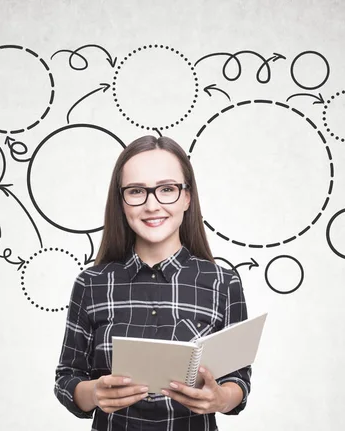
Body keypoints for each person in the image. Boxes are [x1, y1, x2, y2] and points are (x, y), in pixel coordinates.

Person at [54, 135, 251, 430]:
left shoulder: (223, 283)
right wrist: (95, 393)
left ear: (187, 197)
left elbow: (238, 380)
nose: (152, 205)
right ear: (121, 201)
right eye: (136, 192)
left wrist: (219, 398)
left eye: (167, 189)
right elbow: (67, 379)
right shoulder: (91, 284)